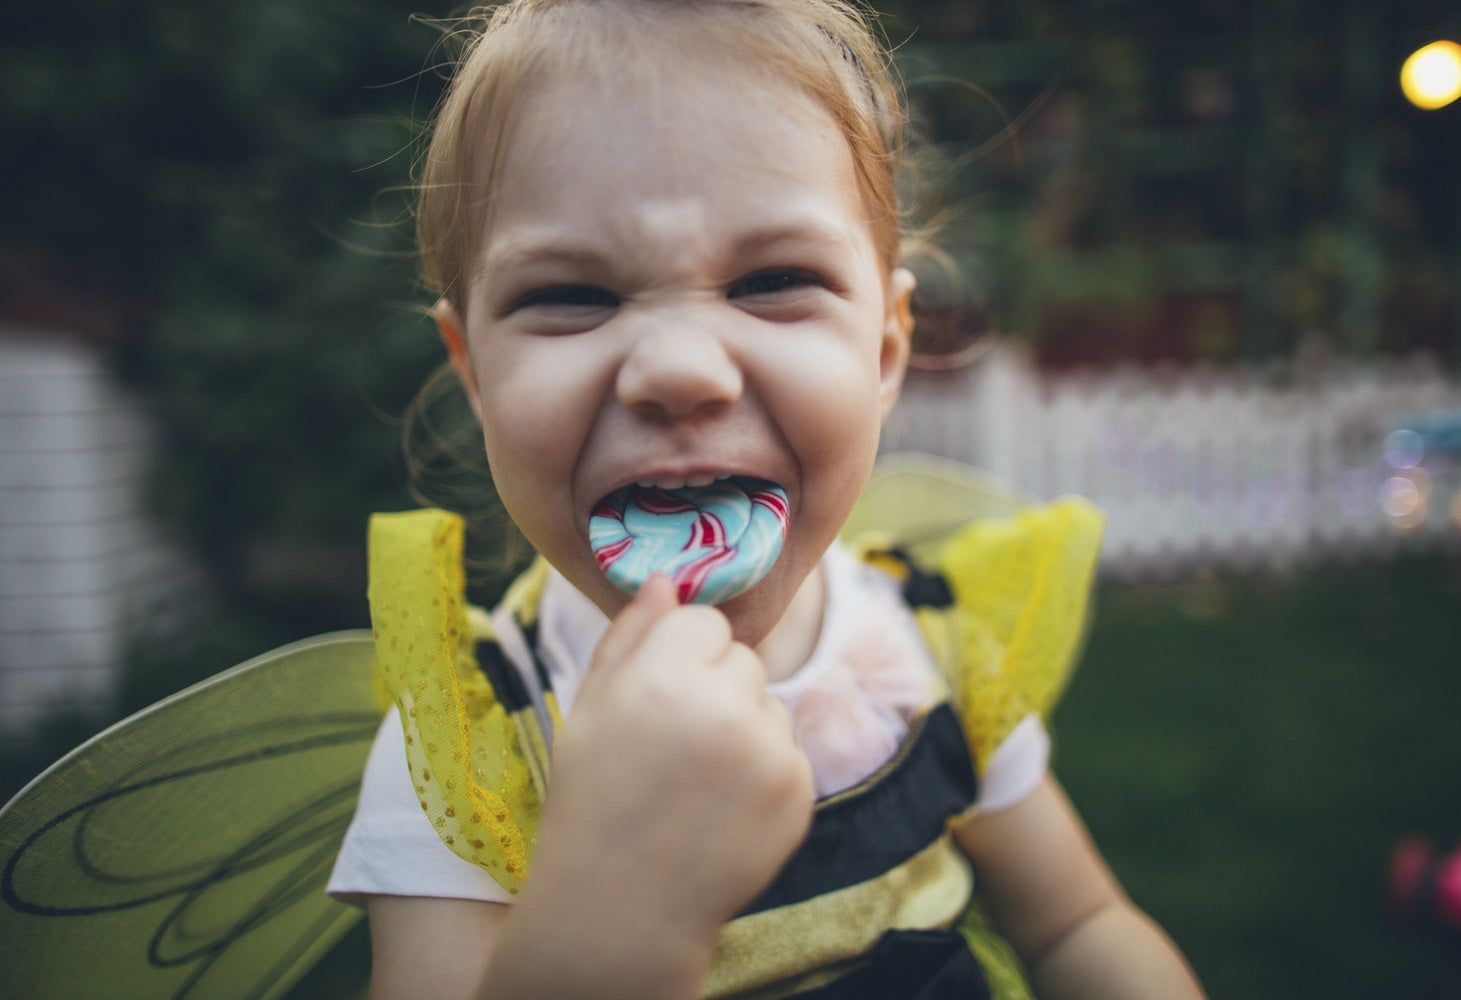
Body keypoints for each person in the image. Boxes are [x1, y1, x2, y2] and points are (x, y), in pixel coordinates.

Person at [328, 1, 1206, 997]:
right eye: (572, 295)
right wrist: (616, 905)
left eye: (774, 279)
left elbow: (1082, 924)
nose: (679, 369)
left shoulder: (934, 651)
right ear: (475, 374)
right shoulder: (469, 747)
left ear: (883, 350)